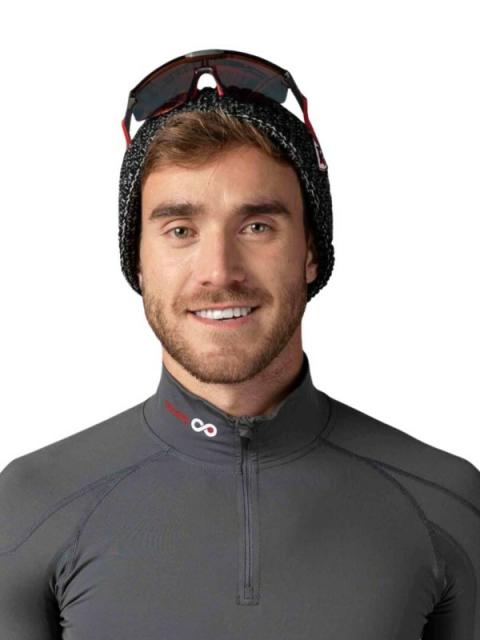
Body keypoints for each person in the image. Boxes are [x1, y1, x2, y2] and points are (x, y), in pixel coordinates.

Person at [0, 49, 478, 639]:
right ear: (138, 262)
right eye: (180, 230)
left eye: (257, 226)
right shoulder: (29, 507)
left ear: (311, 252)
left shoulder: (449, 506)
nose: (219, 271)